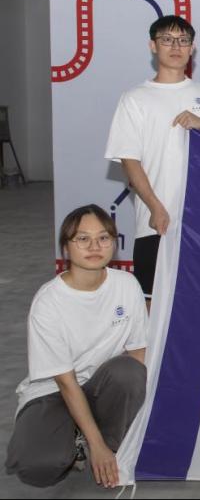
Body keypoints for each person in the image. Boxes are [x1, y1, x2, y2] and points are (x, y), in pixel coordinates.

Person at [5, 205, 148, 489]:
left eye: (103, 238)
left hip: (101, 387)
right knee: (37, 467)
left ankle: (110, 443)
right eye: (83, 239)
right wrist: (95, 444)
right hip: (54, 392)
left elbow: (139, 355)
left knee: (129, 371)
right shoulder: (48, 302)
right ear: (66, 247)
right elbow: (66, 382)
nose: (94, 246)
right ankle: (81, 439)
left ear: (114, 243)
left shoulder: (127, 285)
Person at [104, 16, 200, 299]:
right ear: (153, 45)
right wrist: (155, 207)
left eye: (183, 40)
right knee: (154, 302)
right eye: (167, 40)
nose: (176, 46)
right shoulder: (135, 98)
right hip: (156, 221)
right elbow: (130, 161)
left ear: (192, 48)